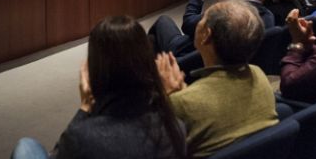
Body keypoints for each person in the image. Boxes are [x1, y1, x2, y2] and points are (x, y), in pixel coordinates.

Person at [11, 15, 188, 159]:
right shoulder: (175, 128)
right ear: (148, 63)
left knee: (26, 146)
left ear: (95, 68)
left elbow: (60, 153)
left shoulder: (82, 136)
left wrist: (84, 108)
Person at [156, 0, 278, 157]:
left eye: (203, 18)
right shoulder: (258, 75)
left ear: (206, 35)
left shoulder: (181, 103)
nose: (199, 22)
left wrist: (167, 96)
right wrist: (183, 94)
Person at [148, 0, 275, 58]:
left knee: (162, 21)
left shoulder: (226, 10)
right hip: (233, 66)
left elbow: (189, 25)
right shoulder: (269, 18)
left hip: (188, 56)